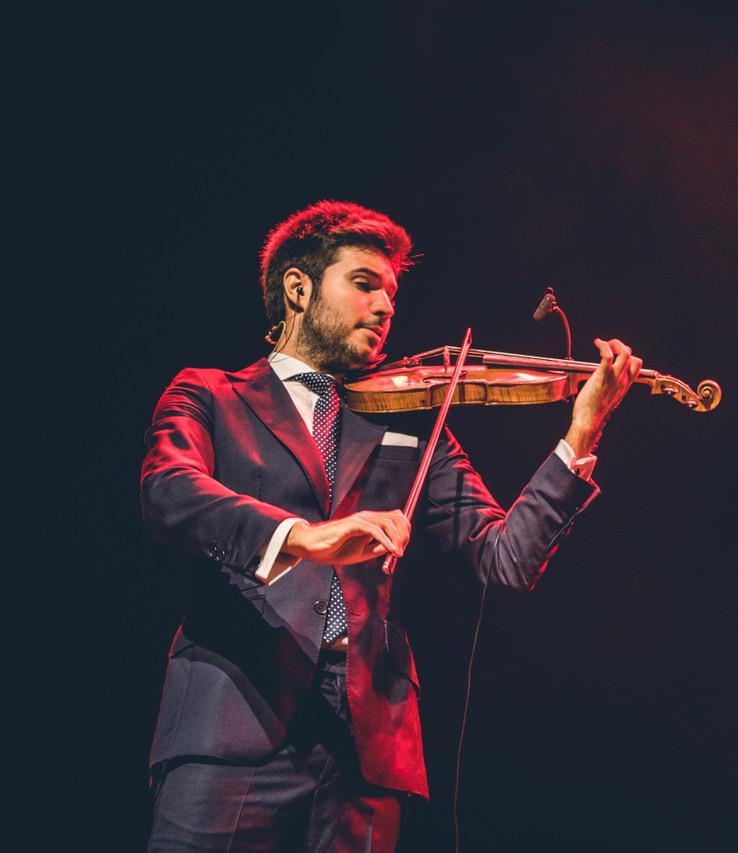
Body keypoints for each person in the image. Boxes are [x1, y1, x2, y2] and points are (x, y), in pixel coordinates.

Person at [141, 200, 642, 851]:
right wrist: (302, 535)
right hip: (232, 726)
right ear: (297, 288)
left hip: (364, 752)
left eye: (392, 292)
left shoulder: (407, 422)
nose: (385, 306)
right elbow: (168, 493)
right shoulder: (212, 394)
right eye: (364, 283)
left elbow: (506, 556)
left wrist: (581, 433)